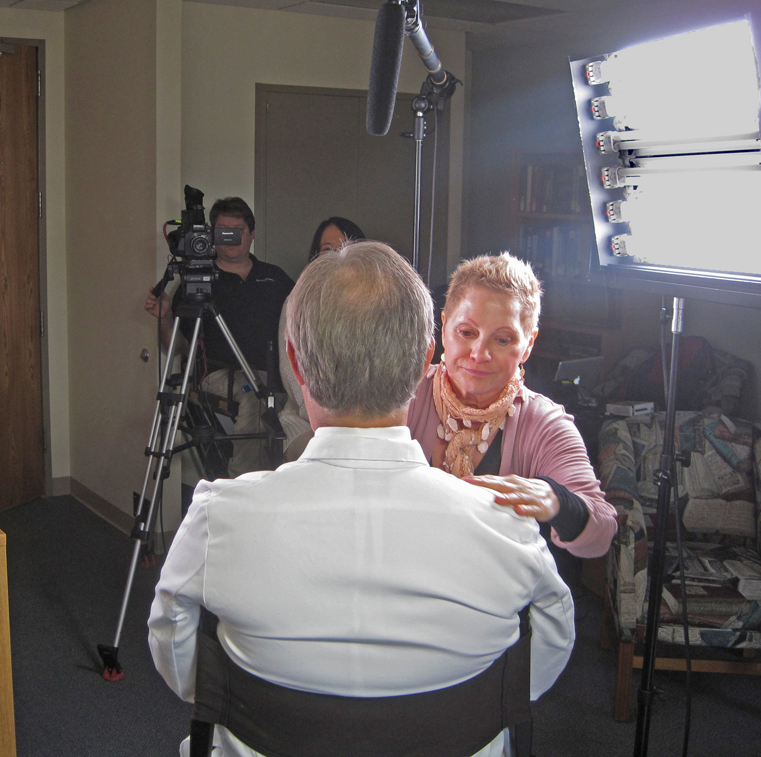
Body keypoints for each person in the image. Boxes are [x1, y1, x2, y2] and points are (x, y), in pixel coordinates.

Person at [149, 241, 575, 757]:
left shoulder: (218, 518)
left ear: (295, 363)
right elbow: (535, 669)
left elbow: (181, 663)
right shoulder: (506, 530)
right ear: (425, 361)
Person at [407, 252, 617, 559]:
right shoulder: (403, 393)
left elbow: (601, 535)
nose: (479, 353)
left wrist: (558, 501)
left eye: (502, 340)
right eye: (467, 332)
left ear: (528, 344)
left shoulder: (545, 424)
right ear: (444, 324)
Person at [145, 197, 293, 477]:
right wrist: (166, 318)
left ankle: (291, 482)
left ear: (252, 234)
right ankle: (244, 487)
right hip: (221, 375)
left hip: (275, 372)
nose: (230, 238)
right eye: (223, 231)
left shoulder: (274, 277)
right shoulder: (197, 282)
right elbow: (175, 346)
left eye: (237, 231)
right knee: (257, 400)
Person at [278, 217, 366, 459]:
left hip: (363, 421)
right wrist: (334, 421)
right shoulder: (296, 302)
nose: (339, 255)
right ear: (315, 257)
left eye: (346, 246)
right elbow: (293, 377)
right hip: (306, 421)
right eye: (328, 249)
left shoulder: (374, 301)